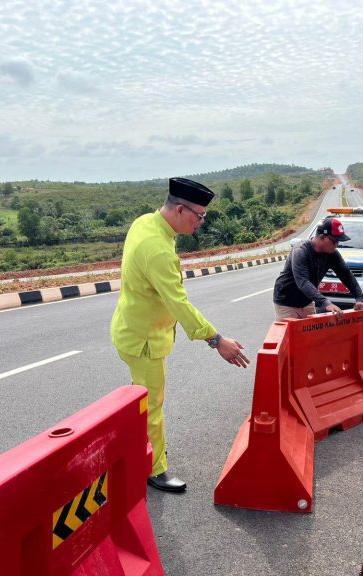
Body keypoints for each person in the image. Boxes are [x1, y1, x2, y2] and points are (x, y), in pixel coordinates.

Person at [111, 177, 250, 493]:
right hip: (145, 341)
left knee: (141, 401)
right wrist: (217, 340)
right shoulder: (157, 249)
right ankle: (155, 469)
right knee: (152, 406)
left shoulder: (146, 222)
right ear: (178, 209)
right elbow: (179, 304)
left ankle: (134, 447)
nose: (201, 223)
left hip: (129, 328)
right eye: (199, 216)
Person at [273, 217, 363, 320]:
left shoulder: (332, 254)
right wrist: (325, 302)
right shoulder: (300, 251)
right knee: (291, 334)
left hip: (306, 301)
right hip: (286, 301)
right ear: (322, 237)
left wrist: (360, 298)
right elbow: (303, 281)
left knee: (310, 335)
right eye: (335, 241)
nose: (337, 245)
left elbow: (346, 275)